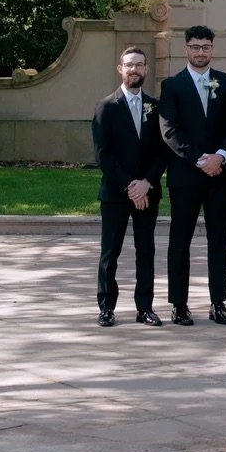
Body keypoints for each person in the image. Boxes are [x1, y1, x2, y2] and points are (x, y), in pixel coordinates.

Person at [158, 24, 226, 326]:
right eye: (195, 47)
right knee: (180, 239)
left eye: (205, 47)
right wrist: (198, 158)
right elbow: (169, 130)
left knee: (220, 240)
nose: (200, 52)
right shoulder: (172, 85)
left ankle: (218, 302)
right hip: (185, 174)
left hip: (221, 173)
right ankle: (179, 303)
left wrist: (220, 156)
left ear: (212, 49)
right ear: (186, 49)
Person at [92, 45, 166, 326]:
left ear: (146, 69)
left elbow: (162, 150)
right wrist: (130, 186)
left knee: (146, 252)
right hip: (115, 193)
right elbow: (103, 154)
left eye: (139, 65)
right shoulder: (106, 106)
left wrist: (146, 183)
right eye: (129, 65)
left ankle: (145, 307)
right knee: (110, 253)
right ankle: (106, 307)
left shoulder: (155, 107)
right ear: (120, 69)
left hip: (148, 192)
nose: (134, 69)